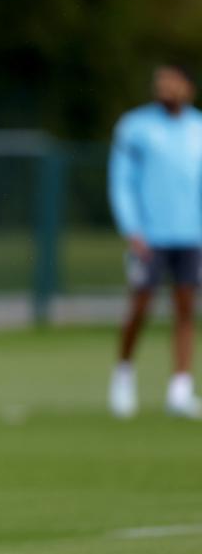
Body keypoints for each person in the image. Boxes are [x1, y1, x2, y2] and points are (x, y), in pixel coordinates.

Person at [108, 64, 202, 419]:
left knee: (186, 308)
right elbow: (122, 181)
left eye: (173, 82)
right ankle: (123, 375)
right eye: (161, 82)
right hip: (149, 236)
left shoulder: (198, 128)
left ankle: (180, 389)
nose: (166, 88)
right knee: (140, 306)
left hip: (191, 234)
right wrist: (132, 227)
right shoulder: (136, 126)